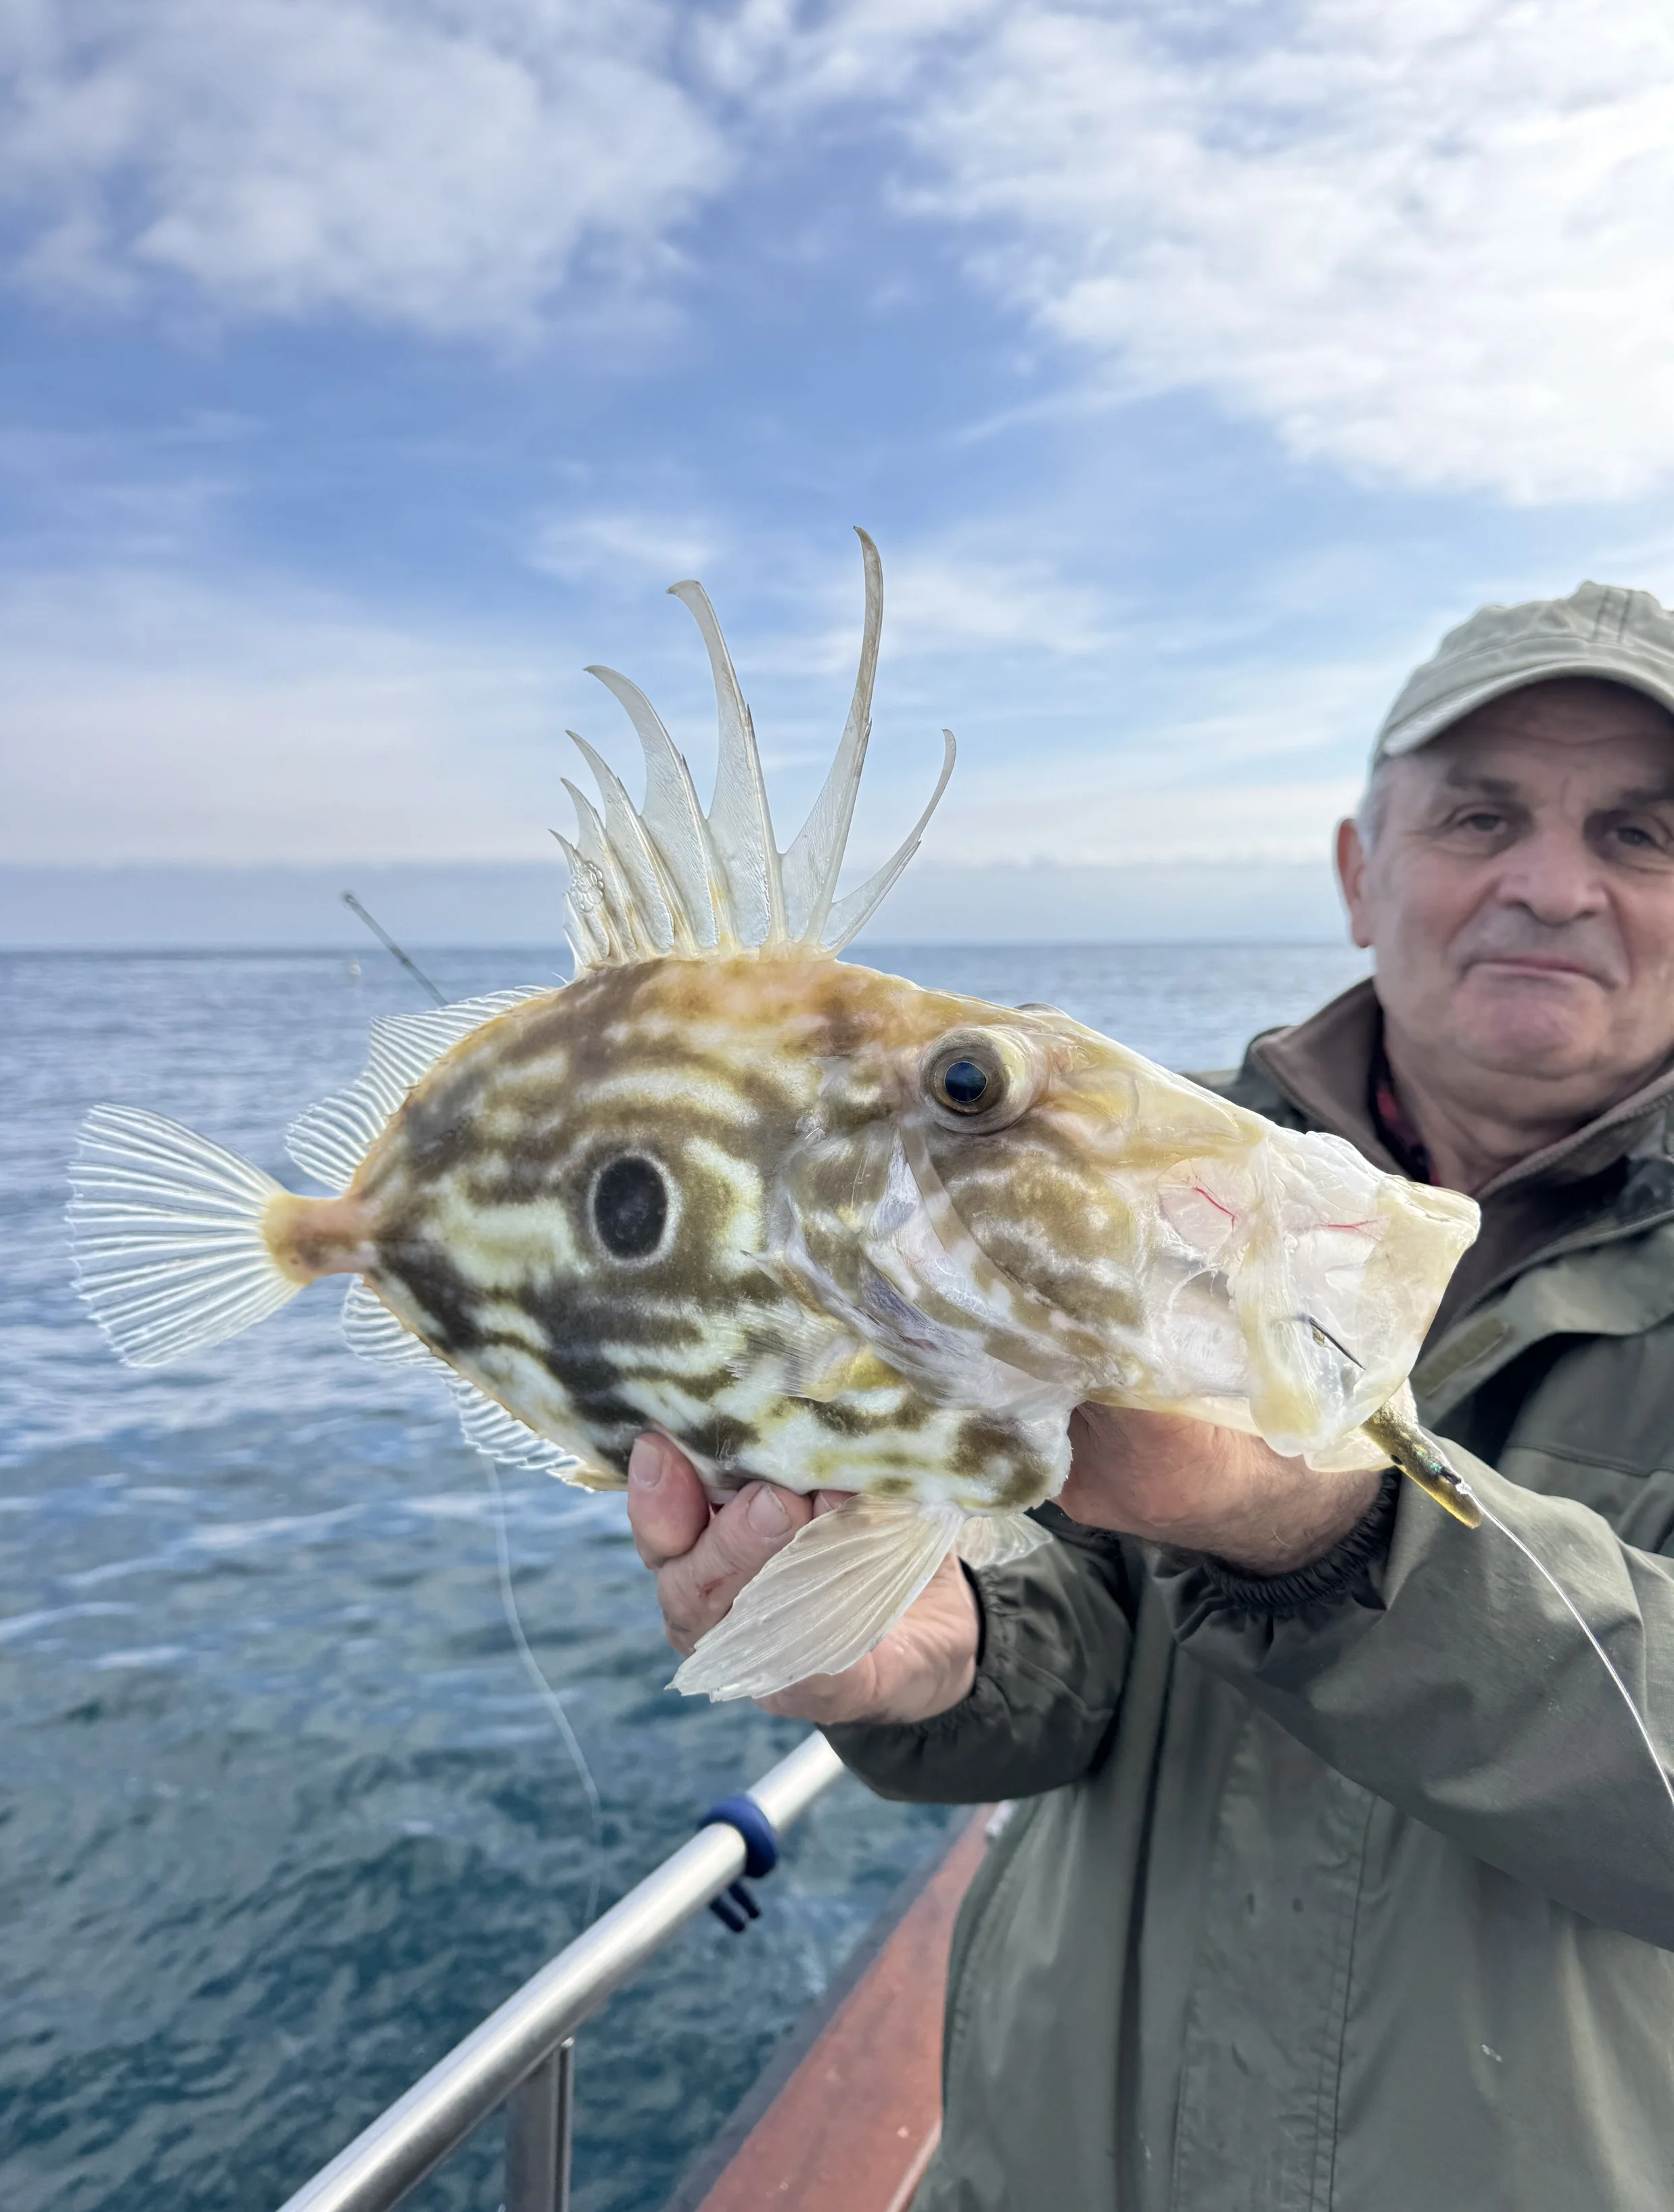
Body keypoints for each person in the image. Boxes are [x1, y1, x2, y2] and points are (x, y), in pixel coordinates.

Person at [630, 580, 1674, 2211]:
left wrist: (1321, 1531)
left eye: (1639, 834)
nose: (1550, 885)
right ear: (1357, 869)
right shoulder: (1139, 1166)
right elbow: (1083, 1642)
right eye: (1480, 816)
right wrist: (936, 1653)